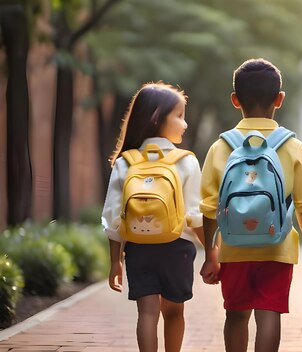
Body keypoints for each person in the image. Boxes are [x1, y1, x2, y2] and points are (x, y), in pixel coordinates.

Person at [199, 58, 302, 352]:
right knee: (270, 314)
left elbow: (208, 207)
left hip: (232, 248)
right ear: (279, 100)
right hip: (276, 248)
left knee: (236, 315)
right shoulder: (292, 146)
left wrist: (210, 253)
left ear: (235, 100)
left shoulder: (221, 146)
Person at [102, 82, 204, 352]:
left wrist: (115, 261)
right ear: (157, 118)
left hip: (138, 248)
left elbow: (113, 218)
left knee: (147, 314)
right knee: (174, 312)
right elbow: (195, 216)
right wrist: (214, 252)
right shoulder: (186, 161)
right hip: (177, 247)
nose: (185, 123)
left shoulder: (126, 161)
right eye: (179, 115)